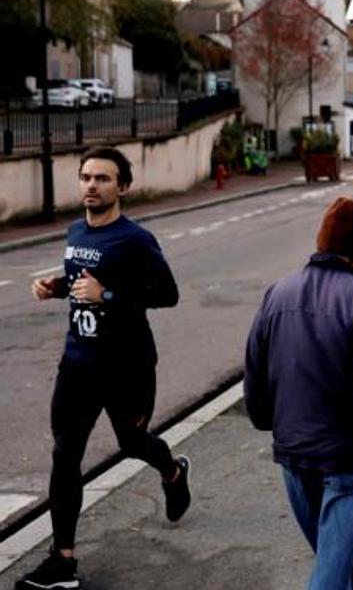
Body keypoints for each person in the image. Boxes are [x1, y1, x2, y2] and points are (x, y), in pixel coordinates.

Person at [18, 146, 187, 590]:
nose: (91, 185)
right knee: (64, 454)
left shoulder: (136, 240)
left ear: (123, 187)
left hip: (127, 367)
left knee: (132, 443)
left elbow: (168, 294)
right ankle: (63, 562)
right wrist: (56, 287)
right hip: (78, 364)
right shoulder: (76, 231)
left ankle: (173, 470)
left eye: (103, 179)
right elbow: (82, 286)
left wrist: (107, 296)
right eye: (86, 177)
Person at [244, 197, 353, 590]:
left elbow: (255, 370)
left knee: (337, 553)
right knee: (331, 572)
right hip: (347, 459)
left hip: (293, 452)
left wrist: (269, 423)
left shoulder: (278, 292)